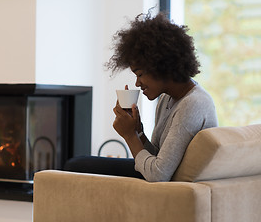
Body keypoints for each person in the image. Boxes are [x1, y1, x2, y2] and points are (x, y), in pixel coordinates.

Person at [64, 11, 218, 182]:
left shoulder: (193, 104)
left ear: (162, 66)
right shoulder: (167, 99)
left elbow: (158, 174)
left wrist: (130, 136)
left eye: (140, 74)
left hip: (171, 186)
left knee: (76, 165)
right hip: (163, 178)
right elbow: (158, 157)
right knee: (76, 164)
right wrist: (139, 133)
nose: (137, 83)